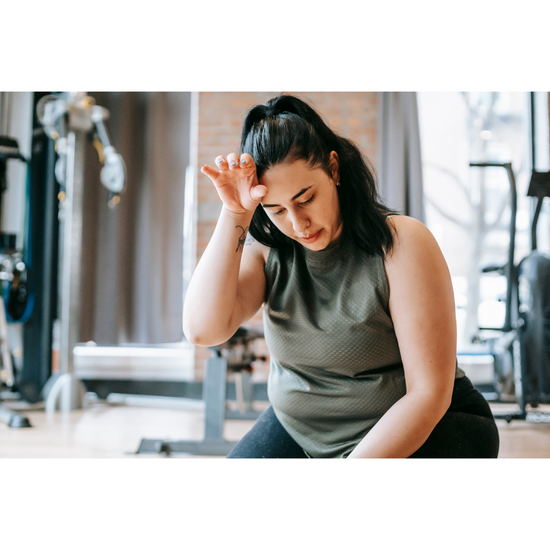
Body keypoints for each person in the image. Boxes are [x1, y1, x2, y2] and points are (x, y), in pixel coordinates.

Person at [182, 94, 500, 459]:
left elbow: (428, 394)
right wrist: (235, 213)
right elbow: (202, 330)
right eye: (276, 210)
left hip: (429, 425)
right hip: (302, 430)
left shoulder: (402, 243)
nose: (298, 223)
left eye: (305, 198)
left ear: (333, 170)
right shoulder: (268, 252)